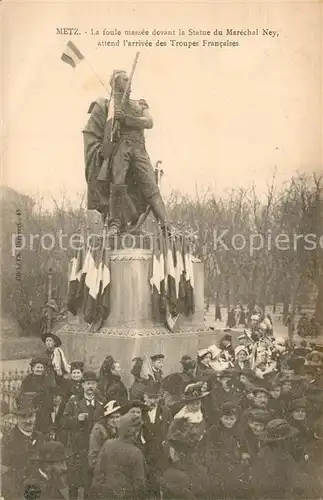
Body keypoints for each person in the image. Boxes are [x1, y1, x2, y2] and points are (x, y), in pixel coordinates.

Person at [83, 69, 169, 234]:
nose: (128, 80)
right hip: (120, 148)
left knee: (150, 183)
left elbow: (149, 122)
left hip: (139, 148)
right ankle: (115, 224)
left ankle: (166, 225)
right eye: (124, 79)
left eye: (128, 78)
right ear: (115, 83)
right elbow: (97, 133)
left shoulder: (139, 104)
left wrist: (127, 119)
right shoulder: (107, 105)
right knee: (118, 182)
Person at [61, 371, 104, 500]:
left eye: (93, 383)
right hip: (76, 448)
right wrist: (76, 419)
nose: (90, 386)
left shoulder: (102, 402)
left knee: (90, 482)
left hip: (94, 448)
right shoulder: (74, 401)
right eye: (87, 383)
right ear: (82, 385)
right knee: (74, 482)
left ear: (96, 385)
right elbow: (63, 422)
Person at [91, 413, 146, 499]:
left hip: (106, 494)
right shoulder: (136, 452)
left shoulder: (108, 444)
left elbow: (98, 473)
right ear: (136, 432)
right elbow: (139, 484)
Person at [1, 393, 45, 499]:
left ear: (35, 416)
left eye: (31, 416)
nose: (28, 420)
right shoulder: (8, 440)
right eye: (23, 417)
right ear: (17, 418)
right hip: (18, 492)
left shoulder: (40, 437)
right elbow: (5, 472)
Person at [20, 356, 55, 435]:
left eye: (41, 367)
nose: (39, 369)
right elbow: (23, 395)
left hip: (45, 411)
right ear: (32, 368)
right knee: (33, 431)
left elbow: (51, 394)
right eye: (37, 367)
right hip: (32, 410)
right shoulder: (27, 380)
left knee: (45, 431)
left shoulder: (47, 379)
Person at [88, 400, 121, 469]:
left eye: (117, 417)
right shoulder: (98, 430)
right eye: (112, 417)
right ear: (106, 418)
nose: (115, 420)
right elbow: (93, 459)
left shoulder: (119, 428)